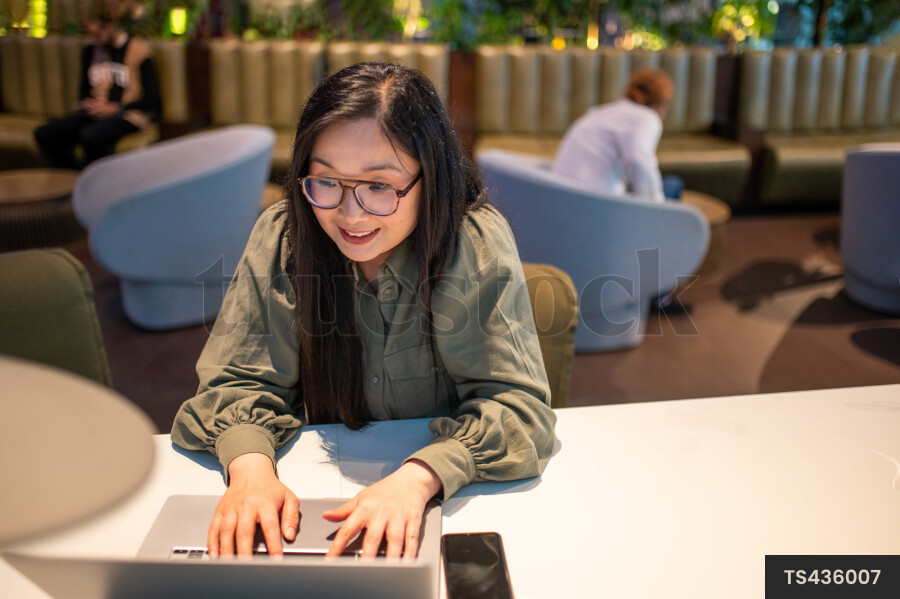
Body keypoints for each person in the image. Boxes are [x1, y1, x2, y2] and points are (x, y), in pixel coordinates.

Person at [171, 62, 558, 560]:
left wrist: (418, 480)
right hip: (318, 494)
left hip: (460, 507)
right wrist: (250, 473)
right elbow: (238, 383)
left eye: (379, 186)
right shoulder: (287, 236)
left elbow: (517, 410)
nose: (350, 215)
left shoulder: (472, 243)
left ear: (430, 177)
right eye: (326, 181)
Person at [33, 0, 160, 169]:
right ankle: (72, 175)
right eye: (89, 35)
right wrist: (87, 104)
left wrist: (115, 108)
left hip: (127, 116)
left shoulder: (139, 51)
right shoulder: (91, 51)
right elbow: (84, 90)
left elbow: (153, 100)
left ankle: (93, 180)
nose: (93, 41)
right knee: (45, 133)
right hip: (95, 115)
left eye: (97, 35)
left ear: (111, 25)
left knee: (90, 136)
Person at [553, 68, 682, 202]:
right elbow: (639, 162)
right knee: (673, 184)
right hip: (599, 203)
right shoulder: (647, 118)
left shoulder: (600, 112)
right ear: (662, 104)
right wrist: (657, 207)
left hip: (562, 197)